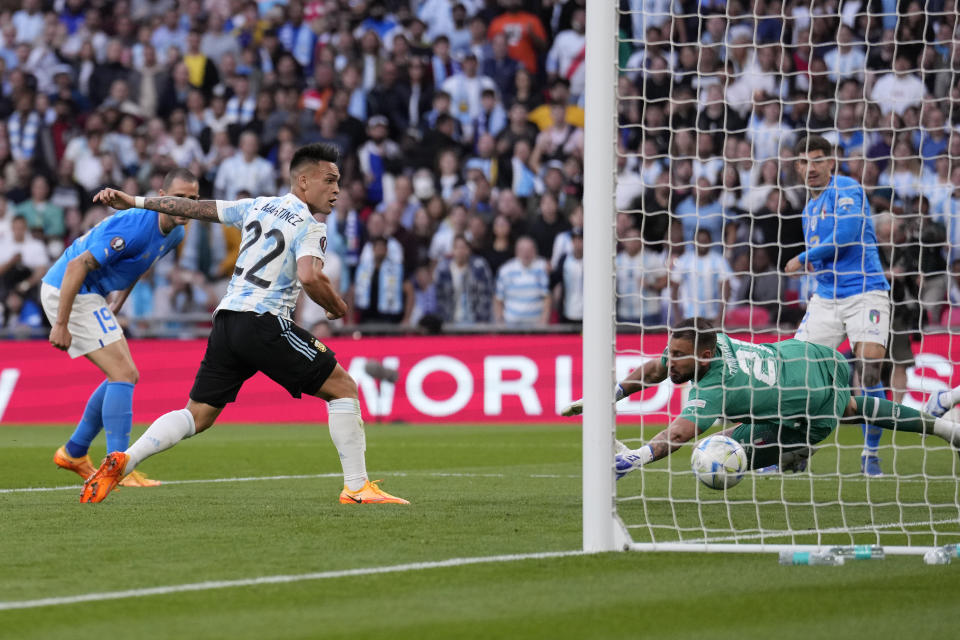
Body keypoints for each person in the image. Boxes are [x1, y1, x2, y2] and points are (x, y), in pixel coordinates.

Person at [81, 143, 408, 505]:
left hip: (226, 322)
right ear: (303, 181)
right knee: (343, 388)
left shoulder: (256, 205)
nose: (336, 190)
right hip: (263, 321)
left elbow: (192, 208)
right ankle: (358, 488)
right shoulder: (311, 226)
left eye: (338, 182)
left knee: (198, 415)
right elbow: (311, 277)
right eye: (330, 180)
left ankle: (126, 460)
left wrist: (136, 200)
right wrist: (337, 306)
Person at [561, 318, 960, 478]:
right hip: (808, 354)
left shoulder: (715, 386)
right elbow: (656, 368)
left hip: (810, 406)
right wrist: (607, 395)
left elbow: (680, 434)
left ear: (704, 357)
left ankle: (794, 448)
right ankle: (947, 428)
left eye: (678, 356)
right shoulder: (713, 345)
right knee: (854, 407)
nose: (671, 362)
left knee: (715, 455)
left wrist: (634, 459)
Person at [42, 169, 200, 487]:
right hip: (68, 290)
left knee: (125, 375)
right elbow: (76, 265)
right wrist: (61, 323)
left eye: (193, 199)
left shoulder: (176, 233)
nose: (186, 205)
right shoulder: (136, 226)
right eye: (179, 197)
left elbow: (140, 264)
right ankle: (117, 466)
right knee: (123, 374)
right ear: (160, 196)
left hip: (92, 294)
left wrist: (118, 301)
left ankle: (74, 452)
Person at [785, 135, 892, 476]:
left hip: (865, 290)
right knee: (795, 373)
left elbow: (845, 236)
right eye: (804, 162)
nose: (811, 168)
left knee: (870, 366)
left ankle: (870, 454)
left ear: (831, 162)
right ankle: (795, 451)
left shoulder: (847, 190)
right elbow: (823, 260)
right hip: (827, 297)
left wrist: (804, 257)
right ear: (797, 167)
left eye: (817, 160)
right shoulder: (808, 211)